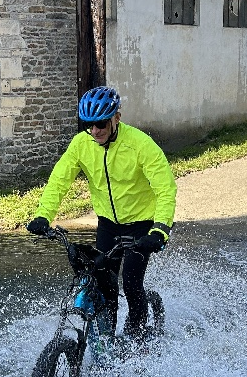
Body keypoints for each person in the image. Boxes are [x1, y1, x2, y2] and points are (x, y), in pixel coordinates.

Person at [26, 86, 177, 346]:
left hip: (141, 225)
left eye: (100, 125)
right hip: (107, 224)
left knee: (130, 283)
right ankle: (108, 342)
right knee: (105, 286)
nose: (95, 131)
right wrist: (43, 215)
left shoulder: (140, 145)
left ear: (116, 117)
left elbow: (165, 188)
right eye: (89, 125)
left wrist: (160, 230)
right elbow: (59, 181)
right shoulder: (81, 143)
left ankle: (136, 340)